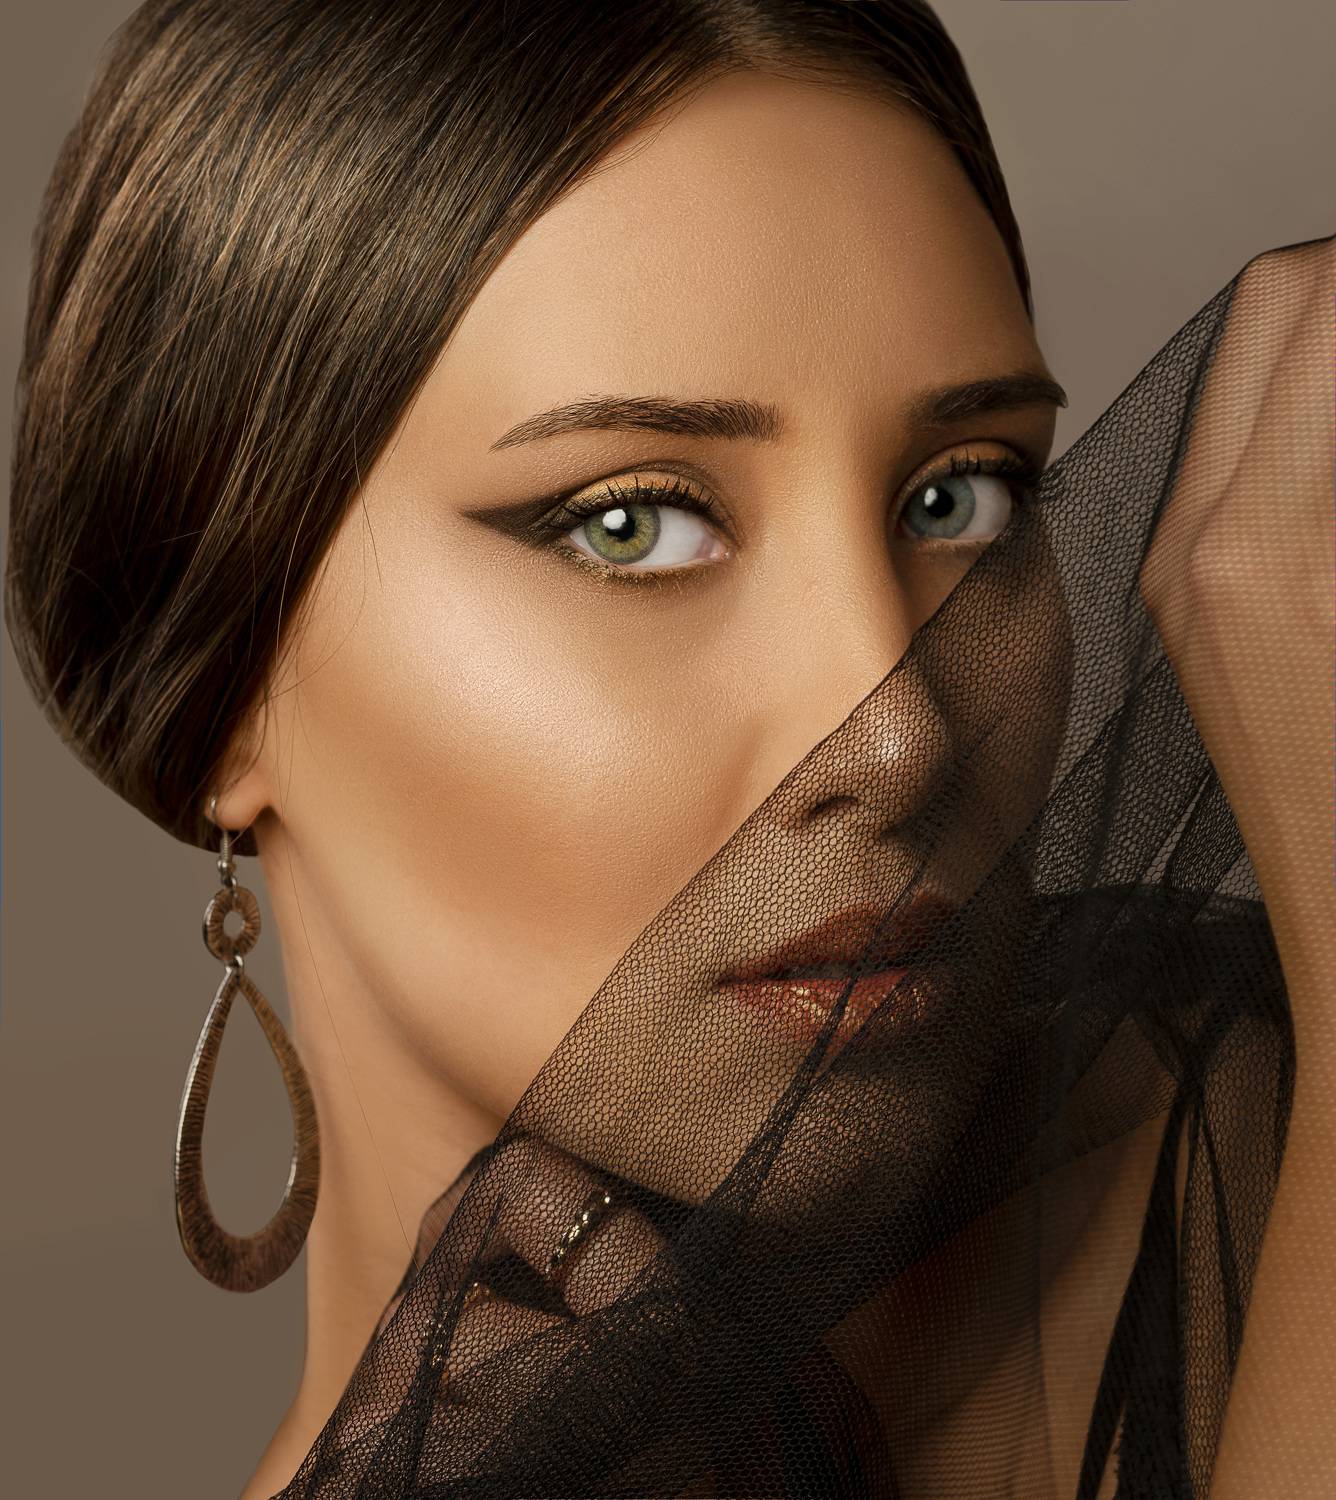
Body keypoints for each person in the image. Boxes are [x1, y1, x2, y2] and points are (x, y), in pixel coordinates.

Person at [5, 2, 1331, 1496]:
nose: (903, 732)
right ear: (220, 679)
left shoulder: (1249, 1148)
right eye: (630, 524)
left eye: (961, 498)